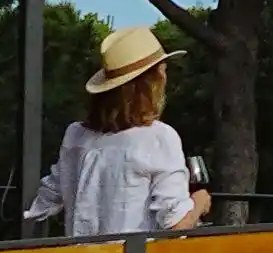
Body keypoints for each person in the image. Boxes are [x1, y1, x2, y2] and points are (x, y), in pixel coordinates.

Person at [23, 25, 212, 236]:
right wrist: (199, 203)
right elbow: (175, 225)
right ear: (152, 84)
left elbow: (48, 196)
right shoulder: (159, 138)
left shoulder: (76, 135)